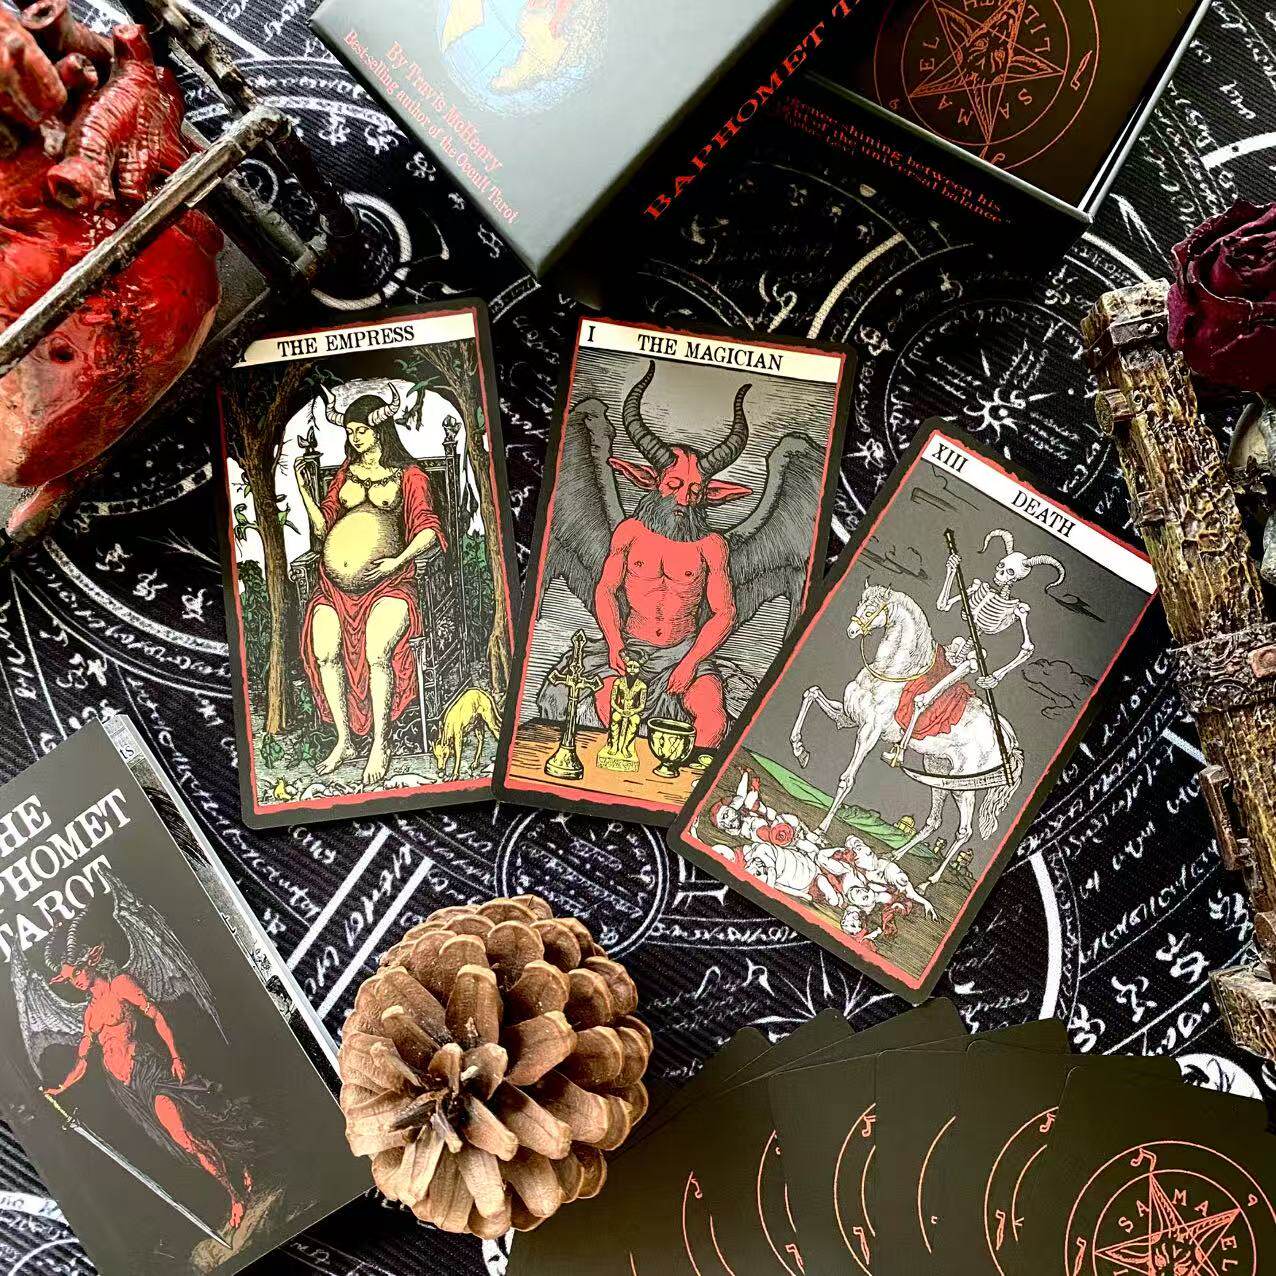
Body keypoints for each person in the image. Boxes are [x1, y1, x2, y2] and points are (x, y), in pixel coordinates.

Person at [296, 388, 445, 787]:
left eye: (361, 430)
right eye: (350, 431)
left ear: (381, 430)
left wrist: (396, 561)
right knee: (324, 651)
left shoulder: (409, 475)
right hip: (334, 588)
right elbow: (323, 527)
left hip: (390, 582)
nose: (355, 438)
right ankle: (344, 740)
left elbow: (428, 529)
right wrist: (305, 491)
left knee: (378, 652)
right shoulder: (345, 473)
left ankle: (381, 743)